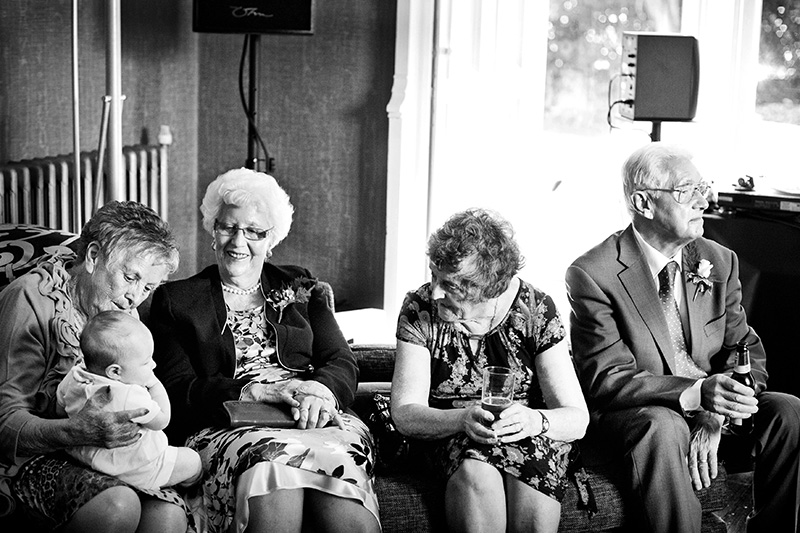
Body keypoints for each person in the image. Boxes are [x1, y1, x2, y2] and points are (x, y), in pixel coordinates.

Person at [565, 142, 800, 533]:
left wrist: (719, 409)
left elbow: (745, 348)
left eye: (702, 188)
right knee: (664, 425)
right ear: (644, 203)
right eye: (687, 191)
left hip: (711, 408)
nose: (704, 201)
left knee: (788, 411)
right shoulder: (593, 274)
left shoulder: (718, 259)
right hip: (642, 412)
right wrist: (696, 394)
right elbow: (607, 378)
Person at [146, 168, 379, 533]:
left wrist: (320, 391)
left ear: (271, 239)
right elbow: (178, 389)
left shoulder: (300, 285)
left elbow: (341, 360)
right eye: (228, 227)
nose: (238, 241)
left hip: (312, 416)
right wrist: (252, 392)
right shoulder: (177, 300)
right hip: (230, 423)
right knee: (272, 466)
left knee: (340, 481)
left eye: (254, 231)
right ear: (213, 230)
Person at [391, 208, 589, 533]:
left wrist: (533, 421)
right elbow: (404, 413)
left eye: (449, 284)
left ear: (488, 288)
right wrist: (461, 419)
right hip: (450, 432)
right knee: (476, 469)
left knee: (533, 467)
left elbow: (576, 418)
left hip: (525, 433)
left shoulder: (535, 310)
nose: (435, 291)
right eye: (434, 275)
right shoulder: (419, 308)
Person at [0, 201, 189, 532]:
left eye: (147, 287)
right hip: (36, 455)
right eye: (129, 277)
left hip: (107, 454)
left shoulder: (123, 314)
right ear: (92, 256)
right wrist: (75, 431)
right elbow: (5, 423)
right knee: (117, 506)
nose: (135, 298)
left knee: (168, 515)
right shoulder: (32, 301)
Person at [57, 310, 202, 491]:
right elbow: (162, 421)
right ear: (115, 372)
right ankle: (191, 491)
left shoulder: (74, 376)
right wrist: (154, 384)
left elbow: (59, 409)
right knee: (193, 460)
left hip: (88, 461)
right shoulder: (128, 394)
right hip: (137, 470)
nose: (154, 365)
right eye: (146, 362)